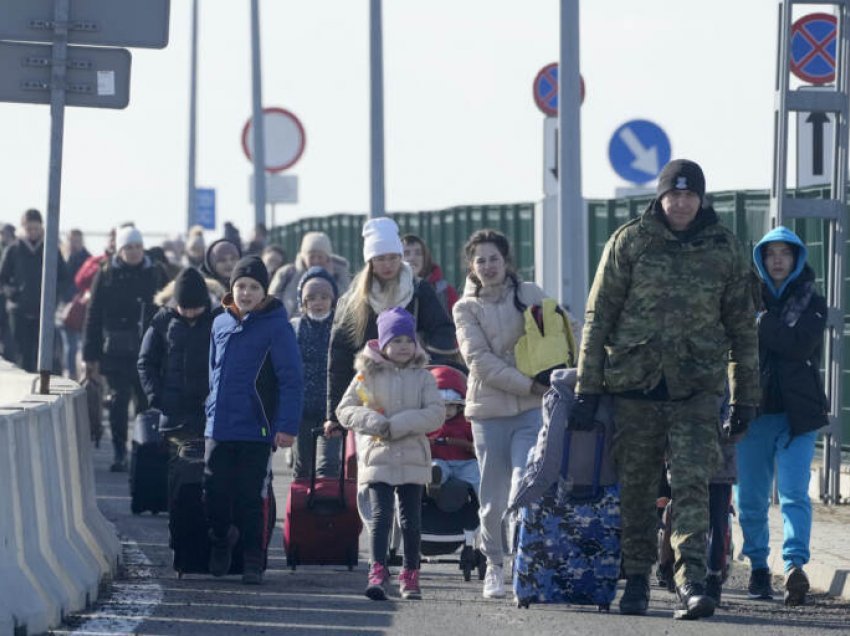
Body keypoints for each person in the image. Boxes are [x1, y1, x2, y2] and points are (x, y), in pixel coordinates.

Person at [572, 159, 759, 620]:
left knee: (693, 485)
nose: (681, 203)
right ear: (659, 198)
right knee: (636, 491)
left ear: (701, 198)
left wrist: (745, 396)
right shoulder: (630, 242)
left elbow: (742, 328)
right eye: (673, 195)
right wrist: (586, 387)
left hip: (696, 390)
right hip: (635, 387)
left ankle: (692, 581)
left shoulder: (725, 248)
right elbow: (599, 318)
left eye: (689, 195)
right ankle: (635, 580)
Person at [452, 228, 552, 599]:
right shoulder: (465, 308)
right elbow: (479, 362)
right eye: (481, 260)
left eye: (494, 258)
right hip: (489, 413)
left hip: (531, 410)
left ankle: (524, 566)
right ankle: (493, 564)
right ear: (471, 266)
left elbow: (563, 331)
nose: (488, 266)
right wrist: (529, 384)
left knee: (524, 487)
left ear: (506, 261)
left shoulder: (531, 294)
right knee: (492, 499)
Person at [735, 227, 828, 607]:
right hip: (752, 414)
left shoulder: (812, 301)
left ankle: (794, 567)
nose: (777, 260)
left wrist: (761, 324)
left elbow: (799, 345)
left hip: (797, 416)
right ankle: (759, 565)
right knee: (752, 499)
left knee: (793, 494)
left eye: (784, 254)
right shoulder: (742, 300)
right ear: (760, 259)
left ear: (796, 259)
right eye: (770, 253)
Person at [204, 256, 303, 585]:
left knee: (251, 496)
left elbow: (291, 379)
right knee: (213, 492)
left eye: (253, 287)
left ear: (264, 291)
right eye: (241, 286)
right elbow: (213, 372)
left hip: (257, 427)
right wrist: (209, 410)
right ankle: (220, 539)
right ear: (232, 288)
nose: (246, 293)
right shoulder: (219, 323)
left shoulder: (277, 326)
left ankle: (251, 559)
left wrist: (287, 426)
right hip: (218, 426)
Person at [336, 307, 443, 601]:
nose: (403, 347)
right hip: (378, 455)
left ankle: (411, 573)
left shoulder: (423, 377)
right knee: (381, 516)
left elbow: (436, 413)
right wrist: (374, 422)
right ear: (382, 343)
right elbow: (345, 409)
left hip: (411, 455)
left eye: (408, 340)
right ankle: (378, 570)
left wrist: (399, 424)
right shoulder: (365, 375)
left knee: (411, 519)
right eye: (396, 341)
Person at [325, 217, 456, 436]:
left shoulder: (418, 291)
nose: (387, 265)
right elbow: (339, 356)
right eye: (380, 259)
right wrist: (334, 416)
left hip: (412, 392)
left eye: (393, 258)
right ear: (370, 262)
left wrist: (423, 360)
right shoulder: (355, 301)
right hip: (370, 397)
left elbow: (443, 332)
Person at [83, 226, 169, 472]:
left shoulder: (155, 272)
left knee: (145, 404)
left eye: (138, 247)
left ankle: (141, 449)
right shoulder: (107, 273)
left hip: (148, 350)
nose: (134, 252)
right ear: (120, 250)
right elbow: (94, 315)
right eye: (128, 247)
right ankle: (120, 450)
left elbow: (168, 309)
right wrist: (91, 355)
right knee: (119, 402)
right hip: (116, 353)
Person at [137, 267, 216, 449]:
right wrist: (156, 396)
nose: (189, 314)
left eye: (195, 309)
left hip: (208, 413)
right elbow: (146, 362)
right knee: (174, 467)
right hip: (172, 413)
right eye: (184, 308)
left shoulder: (217, 321)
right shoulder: (162, 322)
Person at [0, 208, 68, 372]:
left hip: (43, 312)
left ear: (42, 227)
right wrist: (14, 294)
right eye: (29, 228)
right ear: (23, 228)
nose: (32, 232)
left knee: (43, 353)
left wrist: (54, 296)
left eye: (36, 228)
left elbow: (64, 277)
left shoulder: (50, 250)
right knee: (21, 354)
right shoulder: (14, 250)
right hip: (19, 311)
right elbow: (3, 278)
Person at [290, 266, 341, 479]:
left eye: (323, 297)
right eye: (311, 298)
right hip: (302, 409)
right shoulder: (295, 327)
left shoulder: (340, 327)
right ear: (303, 302)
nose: (318, 303)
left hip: (332, 409)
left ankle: (326, 508)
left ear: (333, 300)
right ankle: (301, 509)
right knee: (302, 465)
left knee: (328, 466)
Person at [269, 231, 350, 318]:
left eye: (320, 257)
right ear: (303, 257)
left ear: (327, 258)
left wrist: (330, 278)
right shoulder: (287, 274)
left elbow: (345, 303)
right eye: (311, 257)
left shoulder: (339, 274)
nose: (316, 261)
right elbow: (271, 301)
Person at [426, 365, 480, 496]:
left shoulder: (466, 422)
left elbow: (475, 441)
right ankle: (434, 482)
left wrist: (472, 447)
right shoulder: (427, 424)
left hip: (464, 461)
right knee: (435, 467)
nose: (447, 411)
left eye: (451, 406)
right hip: (439, 459)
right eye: (442, 407)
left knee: (477, 473)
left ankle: (486, 502)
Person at [59, 229, 91, 380]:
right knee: (69, 345)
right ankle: (70, 374)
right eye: (71, 240)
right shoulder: (63, 258)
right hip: (65, 308)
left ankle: (81, 374)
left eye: (77, 240)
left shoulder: (88, 260)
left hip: (82, 308)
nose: (74, 244)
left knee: (80, 345)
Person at [402, 234, 459, 316]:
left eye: (418, 253)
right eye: (406, 253)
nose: (412, 258)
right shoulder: (390, 288)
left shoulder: (445, 291)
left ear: (425, 258)